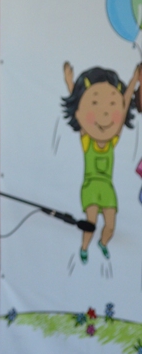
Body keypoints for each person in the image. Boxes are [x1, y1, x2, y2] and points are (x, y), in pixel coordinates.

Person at [62, 62, 140, 264]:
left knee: (111, 226)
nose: (104, 114)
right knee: (90, 222)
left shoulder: (112, 141)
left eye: (111, 105)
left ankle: (103, 243)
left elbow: (124, 107)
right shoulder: (87, 140)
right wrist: (70, 82)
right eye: (96, 104)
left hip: (107, 189)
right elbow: (80, 104)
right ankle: (84, 247)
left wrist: (134, 79)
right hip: (90, 187)